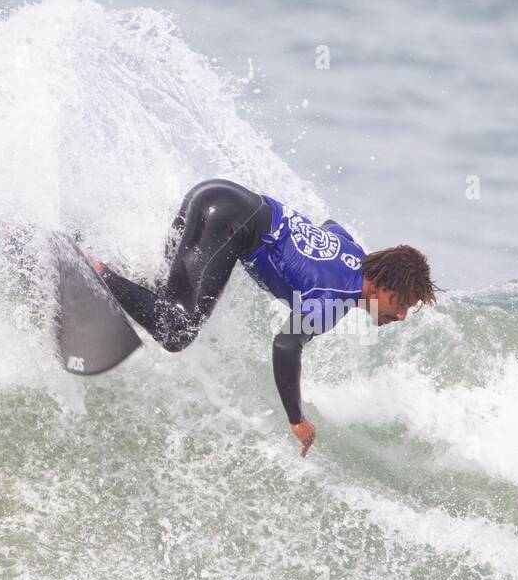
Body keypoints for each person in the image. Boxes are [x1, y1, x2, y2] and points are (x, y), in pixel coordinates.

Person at [88, 178, 439, 456]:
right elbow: (286, 345)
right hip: (227, 223)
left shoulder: (353, 252)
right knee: (177, 330)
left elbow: (331, 225)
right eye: (403, 303)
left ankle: (85, 248)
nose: (402, 315)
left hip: (216, 195)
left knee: (161, 297)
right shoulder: (334, 300)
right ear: (383, 287)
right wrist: (296, 419)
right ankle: (95, 271)